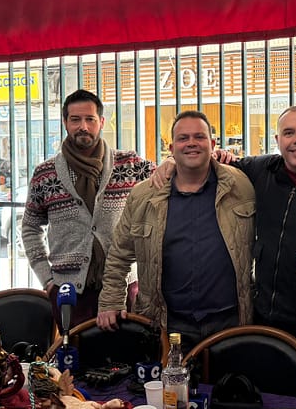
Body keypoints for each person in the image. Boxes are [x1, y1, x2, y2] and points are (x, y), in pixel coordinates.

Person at [150, 106, 296, 402]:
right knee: (266, 405)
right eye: (289, 133)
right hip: (267, 320)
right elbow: (206, 161)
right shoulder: (261, 170)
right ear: (277, 139)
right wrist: (170, 164)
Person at [98, 110, 255, 351]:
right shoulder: (143, 196)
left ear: (212, 144)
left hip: (231, 323)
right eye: (183, 138)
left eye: (199, 137)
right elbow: (120, 254)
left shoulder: (242, 185)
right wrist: (110, 301)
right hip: (167, 325)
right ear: (171, 148)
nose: (191, 143)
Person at [21, 89, 155, 327]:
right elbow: (30, 228)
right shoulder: (46, 174)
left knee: (129, 350)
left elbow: (172, 175)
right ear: (65, 122)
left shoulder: (129, 164)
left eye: (90, 119)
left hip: (123, 287)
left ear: (101, 122)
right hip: (69, 292)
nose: (83, 126)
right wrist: (47, 280)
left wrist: (216, 156)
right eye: (75, 119)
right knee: (73, 350)